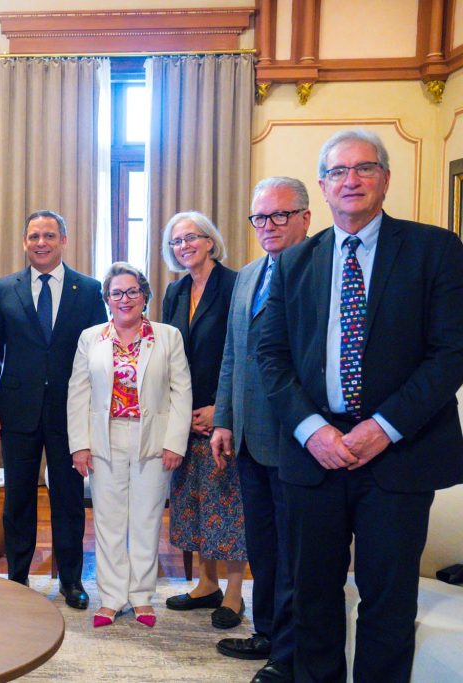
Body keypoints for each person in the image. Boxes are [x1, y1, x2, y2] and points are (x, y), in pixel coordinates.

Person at [258, 129, 463, 682]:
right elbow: (270, 356)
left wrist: (384, 426)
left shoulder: (436, 250)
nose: (351, 180)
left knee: (388, 604)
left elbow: (451, 354)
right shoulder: (294, 262)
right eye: (338, 171)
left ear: (386, 179)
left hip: (399, 455)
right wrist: (310, 430)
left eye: (365, 168)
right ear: (322, 186)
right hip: (313, 457)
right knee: (313, 602)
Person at [211, 177, 311, 683]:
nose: (267, 227)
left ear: (304, 219)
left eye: (279, 216)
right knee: (264, 547)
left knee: (297, 554)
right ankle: (268, 633)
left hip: (299, 441)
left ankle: (291, 654)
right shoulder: (249, 276)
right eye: (259, 218)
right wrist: (225, 420)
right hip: (249, 439)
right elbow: (233, 354)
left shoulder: (319, 270)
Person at [0, 210, 106, 609]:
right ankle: (18, 578)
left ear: (64, 240)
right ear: (25, 242)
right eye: (34, 236)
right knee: (18, 497)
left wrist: (94, 410)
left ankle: (71, 579)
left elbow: (100, 354)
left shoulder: (88, 291)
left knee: (68, 499)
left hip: (69, 412)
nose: (41, 242)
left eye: (49, 235)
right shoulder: (6, 288)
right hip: (16, 410)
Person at [67, 262, 191, 628]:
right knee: (107, 521)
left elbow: (181, 392)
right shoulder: (91, 338)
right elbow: (78, 393)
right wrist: (79, 445)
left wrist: (175, 443)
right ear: (106, 299)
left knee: (146, 518)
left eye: (132, 291)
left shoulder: (168, 337)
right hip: (104, 438)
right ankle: (112, 598)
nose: (125, 299)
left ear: (145, 296)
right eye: (117, 293)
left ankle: (141, 597)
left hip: (152, 439)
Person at [159, 211, 248, 629]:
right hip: (185, 417)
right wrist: (179, 414)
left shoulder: (236, 285)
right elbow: (168, 359)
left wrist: (221, 411)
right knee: (195, 502)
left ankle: (234, 592)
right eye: (176, 241)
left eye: (191, 238)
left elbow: (241, 353)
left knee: (228, 505)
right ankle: (205, 584)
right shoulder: (174, 293)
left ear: (210, 241)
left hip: (222, 415)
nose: (184, 246)